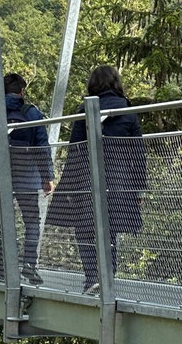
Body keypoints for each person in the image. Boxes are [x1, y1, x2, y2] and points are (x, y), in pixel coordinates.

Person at [46, 65, 147, 294]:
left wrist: (71, 187)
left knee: (84, 229)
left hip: (87, 179)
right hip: (119, 180)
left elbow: (76, 150)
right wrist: (138, 189)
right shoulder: (128, 111)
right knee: (110, 230)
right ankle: (108, 279)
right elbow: (138, 152)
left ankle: (92, 277)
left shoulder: (84, 111)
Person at [0, 73, 54, 283]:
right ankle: (29, 266)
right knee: (32, 221)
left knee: (0, 223)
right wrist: (47, 176)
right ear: (22, 91)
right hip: (27, 176)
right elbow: (42, 146)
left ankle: (3, 271)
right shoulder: (32, 113)